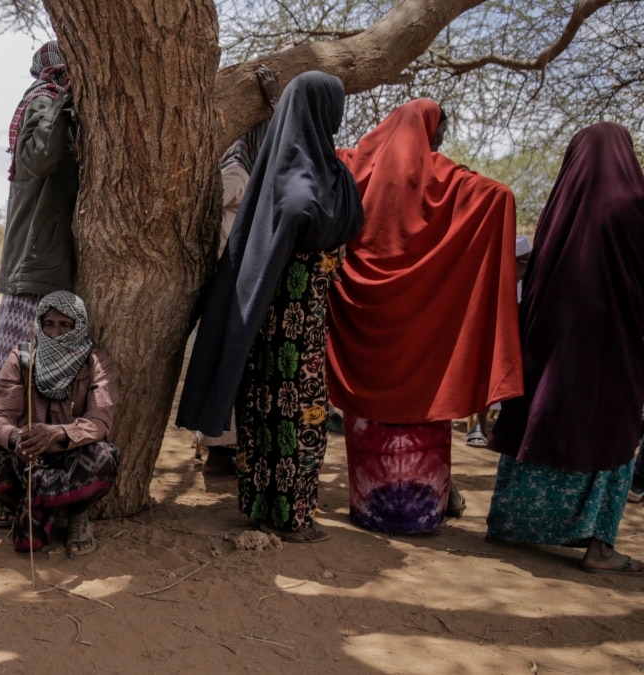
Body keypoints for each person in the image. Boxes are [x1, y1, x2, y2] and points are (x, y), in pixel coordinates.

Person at [177, 72, 364, 544]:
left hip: (308, 319)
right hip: (281, 322)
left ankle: (274, 508)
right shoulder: (293, 176)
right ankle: (286, 515)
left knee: (288, 415)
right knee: (287, 416)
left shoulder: (326, 168)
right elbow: (305, 215)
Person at [327, 99, 522, 535]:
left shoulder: (353, 164)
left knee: (371, 424)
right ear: (431, 131)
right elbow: (501, 196)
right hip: (423, 344)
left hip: (365, 336)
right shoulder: (449, 179)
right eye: (438, 135)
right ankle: (425, 511)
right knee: (421, 418)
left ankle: (368, 508)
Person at [486, 123, 644, 575]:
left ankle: (511, 522)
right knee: (610, 431)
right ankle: (599, 547)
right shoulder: (636, 203)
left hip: (552, 342)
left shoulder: (559, 208)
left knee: (540, 415)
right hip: (615, 347)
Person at [0, 291, 119, 557]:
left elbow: (100, 420)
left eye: (65, 325)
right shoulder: (21, 358)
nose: (54, 333)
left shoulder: (96, 363)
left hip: (70, 457)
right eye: (48, 324)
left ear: (79, 326)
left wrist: (59, 433)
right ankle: (16, 503)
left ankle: (77, 515)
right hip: (26, 458)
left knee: (105, 457)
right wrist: (16, 439)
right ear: (39, 324)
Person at [0, 40, 79, 414]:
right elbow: (39, 158)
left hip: (45, 260)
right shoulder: (45, 101)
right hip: (36, 265)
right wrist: (62, 103)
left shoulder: (56, 104)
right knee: (19, 373)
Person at [195, 64, 280, 475]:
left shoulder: (248, 171)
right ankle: (221, 449)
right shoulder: (237, 169)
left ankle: (225, 447)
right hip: (232, 279)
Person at [466, 233, 534, 448]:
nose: (527, 268)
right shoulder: (491, 281)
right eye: (524, 263)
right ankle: (478, 423)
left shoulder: (530, 283)